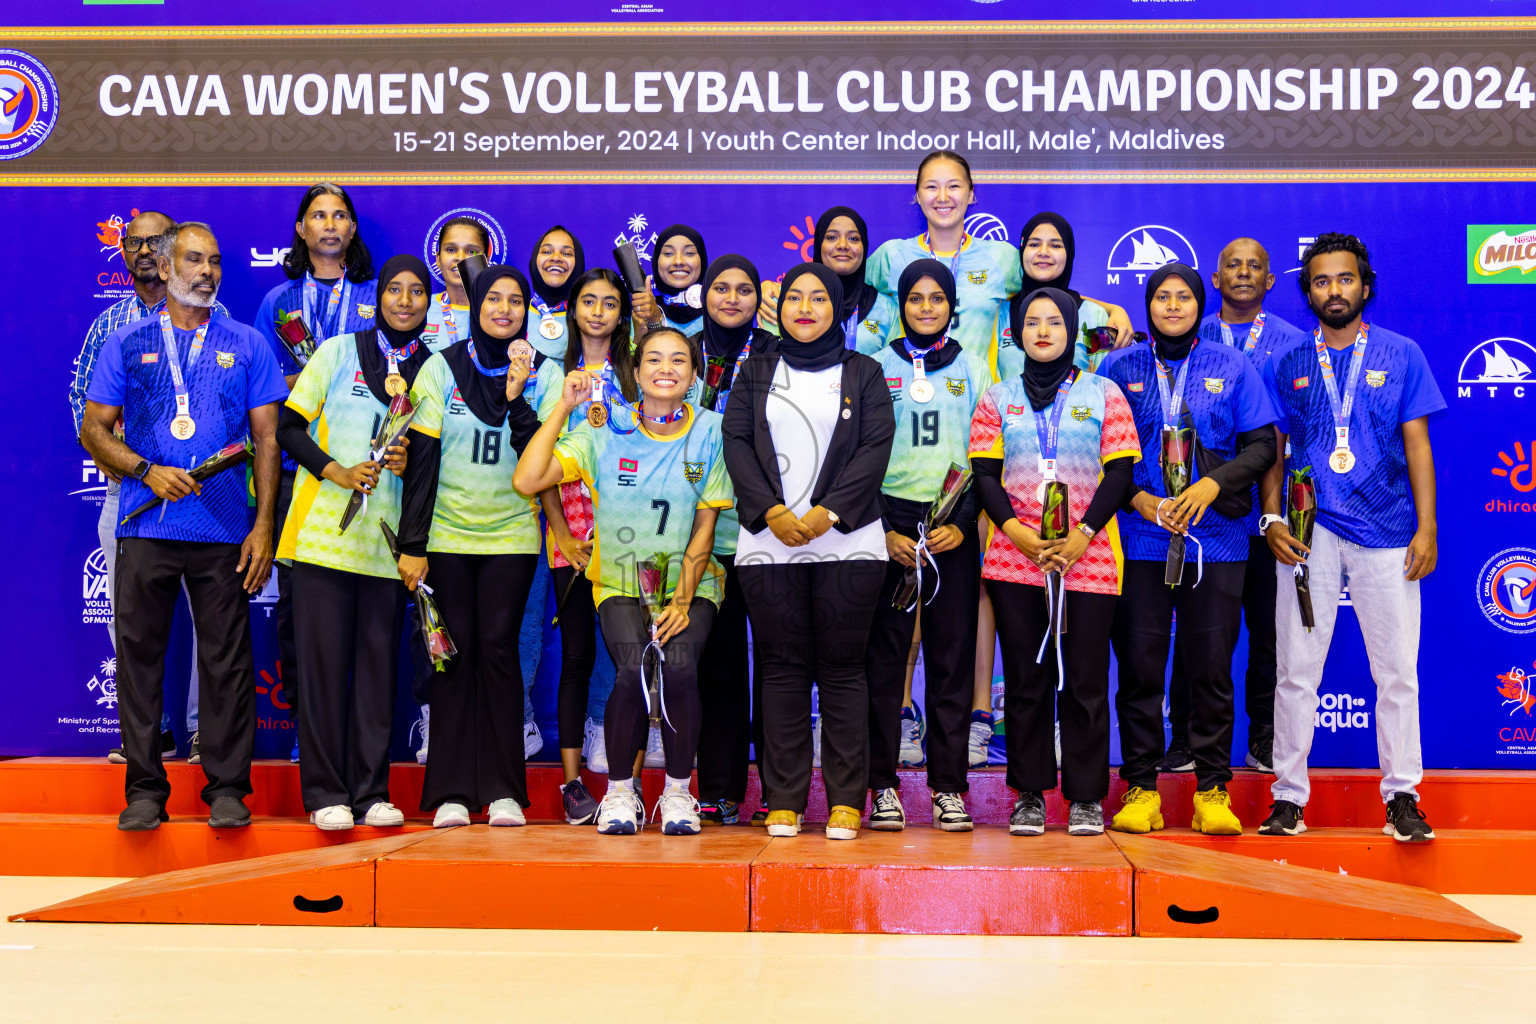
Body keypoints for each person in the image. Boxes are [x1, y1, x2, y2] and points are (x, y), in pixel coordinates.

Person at [80, 221, 284, 831]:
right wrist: (146, 468)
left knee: (226, 662)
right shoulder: (128, 340)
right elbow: (93, 430)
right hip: (145, 523)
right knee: (140, 660)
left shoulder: (247, 342)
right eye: (194, 260)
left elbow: (269, 438)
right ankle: (144, 788)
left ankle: (226, 787)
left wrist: (264, 525)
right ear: (165, 268)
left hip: (223, 527)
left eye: (215, 261)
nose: (207, 272)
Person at [1257, 233, 1443, 843]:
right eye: (1320, 281)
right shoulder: (1289, 361)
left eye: (1344, 279)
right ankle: (1288, 797)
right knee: (1296, 672)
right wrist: (1272, 518)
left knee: (1395, 671)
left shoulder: (1402, 352)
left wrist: (1427, 524)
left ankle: (1404, 796)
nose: (1333, 290)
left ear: (1364, 285)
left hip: (1389, 531)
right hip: (1310, 533)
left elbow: (1418, 441)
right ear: (1307, 290)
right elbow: (1274, 451)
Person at [514, 328, 733, 835]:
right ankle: (620, 794)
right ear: (635, 374)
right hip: (617, 579)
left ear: (694, 374)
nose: (666, 368)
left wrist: (681, 600)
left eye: (679, 360)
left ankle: (678, 793)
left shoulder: (711, 430)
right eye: (653, 358)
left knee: (678, 666)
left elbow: (705, 525)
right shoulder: (602, 429)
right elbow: (527, 480)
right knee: (633, 665)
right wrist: (562, 410)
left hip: (692, 584)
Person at [1098, 264, 1278, 837]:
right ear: (1147, 306)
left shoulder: (1231, 363)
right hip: (1142, 539)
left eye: (1183, 297)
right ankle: (1141, 790)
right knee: (1140, 670)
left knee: (1211, 671)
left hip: (1219, 542)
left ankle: (1212, 790)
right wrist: (1141, 500)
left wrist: (1212, 483)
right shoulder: (1117, 367)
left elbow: (1260, 448)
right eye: (1161, 297)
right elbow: (1102, 457)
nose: (1172, 306)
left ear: (1200, 304)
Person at [725, 263, 896, 841]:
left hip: (849, 543)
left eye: (818, 297)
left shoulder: (865, 372)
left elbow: (874, 449)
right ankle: (784, 800)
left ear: (838, 307)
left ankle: (847, 800)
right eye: (793, 295)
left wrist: (827, 514)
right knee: (780, 671)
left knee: (845, 671)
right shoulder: (754, 372)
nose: (805, 306)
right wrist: (772, 511)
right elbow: (737, 443)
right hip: (769, 543)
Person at [969, 286, 1139, 837]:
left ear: (1071, 331)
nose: (1043, 331)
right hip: (1015, 557)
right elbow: (985, 476)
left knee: (1086, 680)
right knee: (1025, 680)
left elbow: (1119, 474)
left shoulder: (1104, 391)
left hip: (1088, 556)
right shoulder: (997, 398)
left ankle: (1087, 797)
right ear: (1016, 333)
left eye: (1054, 322)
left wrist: (1082, 534)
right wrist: (1017, 533)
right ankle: (1029, 795)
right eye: (1032, 323)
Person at [276, 256, 427, 831]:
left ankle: (370, 792)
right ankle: (324, 794)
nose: (406, 301)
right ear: (378, 296)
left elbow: (434, 463)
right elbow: (289, 427)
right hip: (321, 542)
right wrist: (334, 469)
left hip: (387, 548)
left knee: (374, 673)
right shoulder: (337, 351)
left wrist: (411, 462)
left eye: (417, 291)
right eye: (395, 289)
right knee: (320, 671)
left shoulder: (432, 370)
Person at [1151, 238, 1311, 777]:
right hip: (1197, 518)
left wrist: (1273, 513)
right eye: (1232, 266)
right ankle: (1184, 740)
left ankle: (1263, 738)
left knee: (1266, 633)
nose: (1243, 273)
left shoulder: (1294, 342)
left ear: (1272, 279)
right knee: (1193, 636)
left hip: (1264, 513)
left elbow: (1277, 438)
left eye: (1256, 265)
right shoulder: (1188, 333)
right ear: (1212, 280)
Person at [71, 209, 227, 764]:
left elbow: (225, 406)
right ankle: (150, 734)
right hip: (132, 493)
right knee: (131, 619)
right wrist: (115, 454)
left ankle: (203, 731)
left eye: (154, 240)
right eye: (133, 242)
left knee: (211, 623)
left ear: (172, 251)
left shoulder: (216, 316)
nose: (143, 250)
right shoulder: (110, 325)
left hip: (201, 493)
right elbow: (82, 404)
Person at [397, 265, 542, 828]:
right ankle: (453, 791)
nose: (504, 309)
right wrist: (413, 544)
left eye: (515, 301)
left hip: (512, 535)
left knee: (500, 651)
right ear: (476, 304)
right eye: (494, 299)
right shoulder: (440, 366)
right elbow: (423, 464)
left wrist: (517, 395)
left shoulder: (542, 371)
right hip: (447, 535)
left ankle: (505, 791)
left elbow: (539, 459)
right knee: (449, 654)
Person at [864, 259, 992, 832]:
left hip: (951, 524)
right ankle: (882, 785)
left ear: (951, 305)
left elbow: (987, 455)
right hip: (889, 524)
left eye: (936, 298)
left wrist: (965, 521)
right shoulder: (872, 367)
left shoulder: (971, 364)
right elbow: (856, 457)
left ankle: (948, 788)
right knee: (885, 660)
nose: (925, 307)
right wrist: (879, 528)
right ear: (899, 303)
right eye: (914, 298)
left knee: (950, 659)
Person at [254, 182, 377, 762]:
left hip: (368, 469)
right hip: (299, 467)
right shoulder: (277, 300)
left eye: (340, 215)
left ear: (352, 229)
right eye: (318, 215)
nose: (330, 224)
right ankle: (311, 732)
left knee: (368, 614)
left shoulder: (380, 298)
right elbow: (259, 393)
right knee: (302, 614)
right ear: (302, 229)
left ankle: (365, 737)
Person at [530, 268, 636, 818]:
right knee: (576, 656)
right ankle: (573, 784)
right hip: (568, 536)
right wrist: (565, 534)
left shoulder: (638, 372)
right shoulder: (551, 375)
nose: (598, 311)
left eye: (609, 303)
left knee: (631, 657)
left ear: (622, 314)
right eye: (588, 301)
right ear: (572, 310)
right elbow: (539, 461)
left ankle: (629, 776)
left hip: (631, 533)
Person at [686, 254, 778, 826]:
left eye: (745, 289)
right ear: (705, 293)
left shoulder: (777, 350)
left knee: (776, 664)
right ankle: (719, 787)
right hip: (703, 530)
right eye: (721, 288)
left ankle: (778, 787)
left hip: (768, 528)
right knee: (715, 666)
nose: (732, 299)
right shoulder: (680, 349)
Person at [761, 207, 898, 356]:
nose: (843, 245)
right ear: (819, 244)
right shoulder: (781, 299)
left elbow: (895, 370)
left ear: (864, 246)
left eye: (853, 238)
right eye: (832, 237)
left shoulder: (887, 308)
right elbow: (770, 362)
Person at [1017, 212, 1115, 374]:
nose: (1043, 252)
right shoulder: (1001, 313)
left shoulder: (1096, 315)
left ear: (1069, 253)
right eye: (1034, 244)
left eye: (1055, 245)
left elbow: (1105, 379)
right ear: (1022, 251)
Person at [423, 216, 490, 351]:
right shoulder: (420, 309)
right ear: (438, 259)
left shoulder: (499, 310)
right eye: (451, 250)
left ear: (486, 261)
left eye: (471, 251)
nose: (460, 257)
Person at [633, 224, 707, 336]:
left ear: (702, 260)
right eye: (668, 253)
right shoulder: (642, 311)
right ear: (656, 261)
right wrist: (653, 320)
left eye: (689, 253)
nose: (678, 261)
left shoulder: (718, 310)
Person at [526, 226, 584, 361]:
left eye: (567, 254)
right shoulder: (514, 313)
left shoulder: (591, 318)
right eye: (546, 252)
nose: (556, 258)